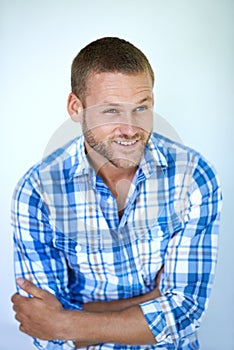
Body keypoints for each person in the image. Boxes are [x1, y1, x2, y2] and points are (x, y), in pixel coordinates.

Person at [11, 37, 222, 350]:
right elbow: (44, 331)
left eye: (141, 108)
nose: (130, 128)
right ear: (76, 108)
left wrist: (66, 319)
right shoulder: (37, 191)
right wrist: (152, 300)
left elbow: (185, 314)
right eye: (111, 111)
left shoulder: (192, 176)